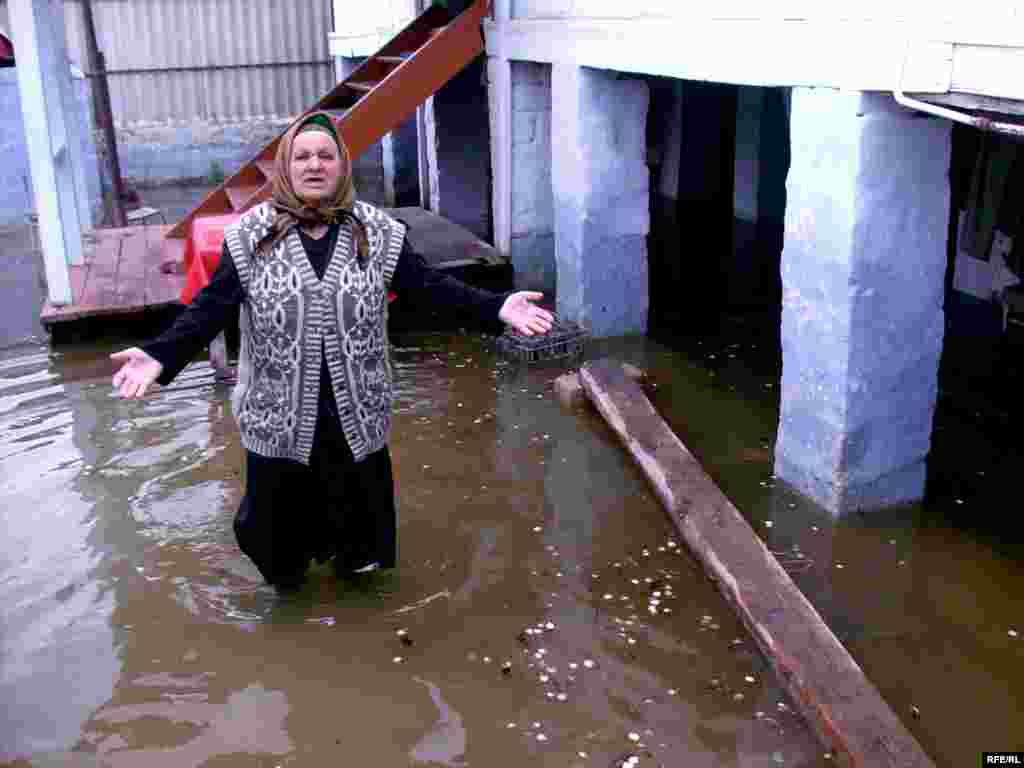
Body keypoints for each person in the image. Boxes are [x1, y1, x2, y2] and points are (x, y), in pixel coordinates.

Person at [111, 111, 554, 589]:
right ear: (286, 167)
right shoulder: (251, 237)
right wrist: (160, 355)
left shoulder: (378, 233)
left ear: (342, 165)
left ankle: (359, 610)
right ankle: (290, 606)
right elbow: (209, 310)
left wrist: (496, 308)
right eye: (302, 156)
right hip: (279, 416)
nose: (314, 165)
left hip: (355, 414)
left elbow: (431, 289)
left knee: (359, 544)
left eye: (326, 155)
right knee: (276, 545)